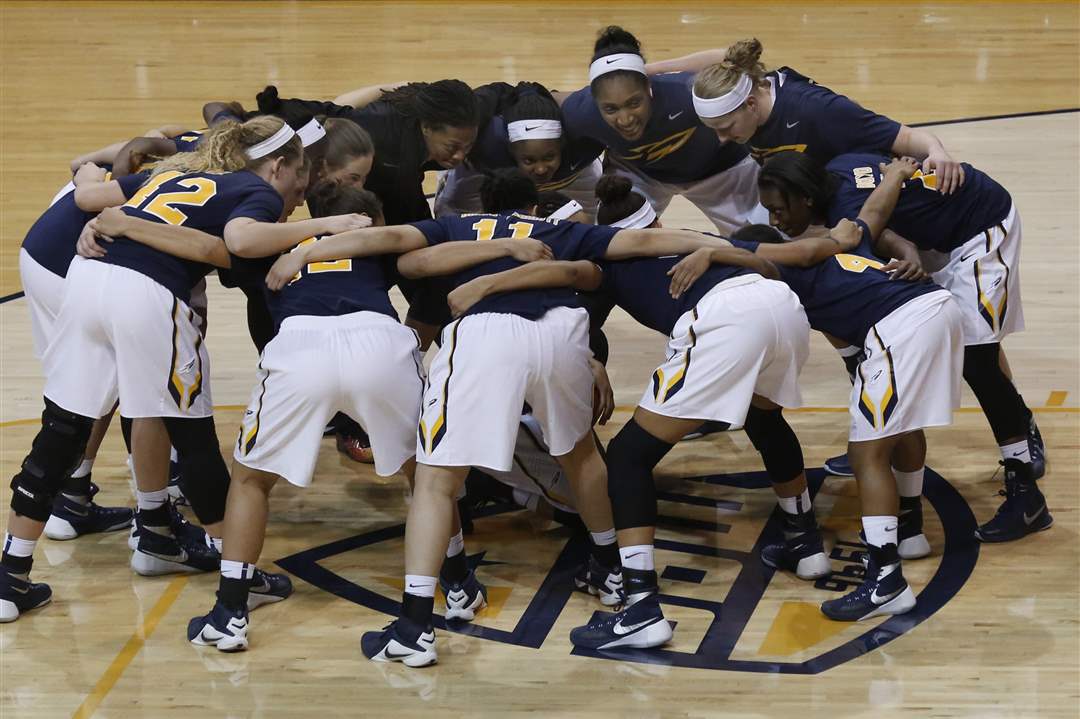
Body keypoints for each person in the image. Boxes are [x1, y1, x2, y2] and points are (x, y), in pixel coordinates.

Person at [710, 159, 964, 620]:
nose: (775, 219)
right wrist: (894, 175)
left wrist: (710, 250)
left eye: (777, 208)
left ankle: (885, 581)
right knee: (902, 425)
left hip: (900, 325)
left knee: (867, 454)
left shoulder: (785, 272)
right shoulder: (841, 244)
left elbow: (759, 259)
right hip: (935, 307)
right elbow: (873, 212)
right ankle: (909, 531)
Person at [759, 149, 1051, 542]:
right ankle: (894, 456)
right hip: (938, 234)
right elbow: (886, 229)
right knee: (964, 355)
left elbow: (873, 227)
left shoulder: (846, 208)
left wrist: (909, 248)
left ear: (806, 198)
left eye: (778, 210)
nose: (774, 221)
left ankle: (1025, 489)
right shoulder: (836, 169)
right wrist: (909, 243)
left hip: (980, 226)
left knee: (977, 360)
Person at [186, 186, 426, 651]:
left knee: (251, 480)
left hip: (300, 346)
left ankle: (229, 612)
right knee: (428, 477)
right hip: (377, 339)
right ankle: (454, 586)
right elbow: (417, 246)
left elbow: (207, 247)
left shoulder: (272, 247)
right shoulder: (382, 243)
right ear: (368, 220)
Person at [557, 26, 766, 234]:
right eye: (611, 109)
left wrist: (658, 69)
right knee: (619, 237)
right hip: (643, 173)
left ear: (648, 87)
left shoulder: (685, 91)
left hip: (720, 168)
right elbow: (545, 101)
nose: (625, 119)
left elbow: (733, 62)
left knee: (761, 238)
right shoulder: (581, 111)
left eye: (634, 103)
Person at [689, 38, 964, 192]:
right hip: (829, 191)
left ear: (750, 104)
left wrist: (935, 150)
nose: (721, 139)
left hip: (883, 188)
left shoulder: (817, 109)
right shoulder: (751, 99)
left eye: (725, 127)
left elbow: (903, 136)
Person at [435, 82, 604, 220]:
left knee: (590, 225)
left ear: (562, 144)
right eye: (529, 160)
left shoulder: (583, 139)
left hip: (577, 172)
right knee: (454, 222)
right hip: (486, 171)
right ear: (510, 149)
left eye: (549, 157)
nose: (541, 169)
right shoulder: (486, 144)